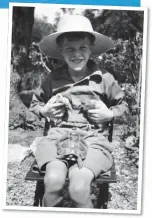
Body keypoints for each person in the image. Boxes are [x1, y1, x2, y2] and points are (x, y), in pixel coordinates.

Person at [29, 14, 128, 208]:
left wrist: (109, 114)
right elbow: (35, 104)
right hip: (57, 136)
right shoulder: (53, 78)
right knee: (53, 180)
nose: (77, 54)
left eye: (83, 48)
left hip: (94, 139)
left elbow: (124, 107)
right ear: (61, 51)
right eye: (70, 49)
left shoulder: (104, 78)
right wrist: (45, 111)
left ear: (91, 48)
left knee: (78, 187)